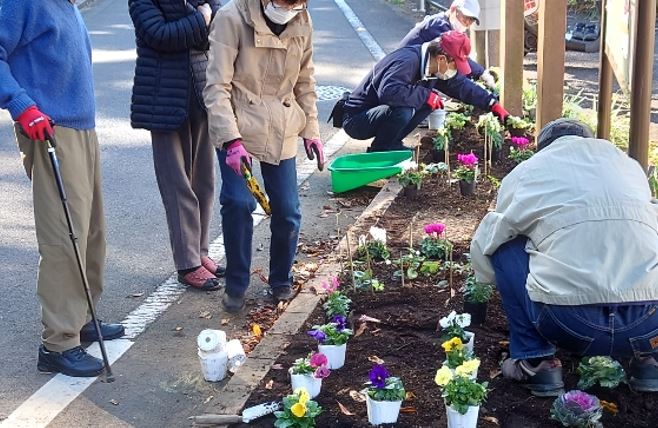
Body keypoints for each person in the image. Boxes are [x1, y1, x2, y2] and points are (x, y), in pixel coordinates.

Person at [470, 118, 658, 396]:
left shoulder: (528, 171)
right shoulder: (627, 165)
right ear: (589, 141)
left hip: (568, 322)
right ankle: (648, 361)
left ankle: (536, 360)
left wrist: (488, 282)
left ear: (543, 148)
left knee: (504, 242)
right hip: (648, 322)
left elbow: (489, 239)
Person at [0, 0, 124, 377]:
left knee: (90, 233)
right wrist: (22, 105)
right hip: (49, 126)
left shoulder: (65, 5)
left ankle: (81, 316)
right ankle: (58, 342)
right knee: (63, 236)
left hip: (82, 128)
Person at [204, 0, 323, 313]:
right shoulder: (231, 17)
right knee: (238, 203)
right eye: (285, 2)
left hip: (282, 122)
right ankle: (236, 284)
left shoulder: (301, 19)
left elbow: (305, 80)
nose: (290, 7)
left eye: (298, 2)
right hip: (238, 122)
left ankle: (281, 279)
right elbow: (217, 86)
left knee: (287, 209)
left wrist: (311, 129)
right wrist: (230, 140)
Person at [129, 0, 225, 292]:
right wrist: (200, 20)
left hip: (199, 90)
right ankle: (187, 263)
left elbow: (216, 25)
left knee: (204, 182)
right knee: (177, 185)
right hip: (163, 98)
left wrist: (202, 21)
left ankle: (200, 251)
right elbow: (159, 35)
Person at [342, 31, 508, 152]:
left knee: (428, 103)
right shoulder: (408, 61)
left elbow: (461, 86)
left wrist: (491, 103)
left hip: (378, 112)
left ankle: (393, 143)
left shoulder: (434, 68)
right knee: (406, 109)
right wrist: (425, 95)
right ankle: (380, 151)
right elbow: (389, 91)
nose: (454, 71)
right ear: (442, 59)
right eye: (454, 66)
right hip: (357, 119)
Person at [398, 0, 496, 90]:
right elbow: (456, 56)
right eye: (465, 17)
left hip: (411, 74)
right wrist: (481, 73)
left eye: (471, 20)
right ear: (453, 9)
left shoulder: (443, 23)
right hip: (403, 76)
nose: (467, 22)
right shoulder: (439, 26)